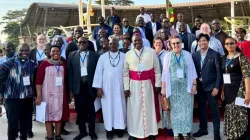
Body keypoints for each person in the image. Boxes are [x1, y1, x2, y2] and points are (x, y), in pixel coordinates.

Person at [124, 35, 161, 140]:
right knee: (135, 109)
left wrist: (158, 84)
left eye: (139, 40)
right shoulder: (128, 54)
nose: (137, 42)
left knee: (149, 108)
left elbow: (157, 70)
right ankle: (134, 132)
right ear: (132, 42)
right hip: (134, 86)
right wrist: (126, 87)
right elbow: (125, 73)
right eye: (135, 41)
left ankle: (151, 132)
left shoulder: (151, 52)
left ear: (142, 41)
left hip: (148, 84)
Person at [161, 36, 197, 140]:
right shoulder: (167, 56)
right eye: (173, 43)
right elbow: (164, 73)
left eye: (178, 43)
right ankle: (176, 132)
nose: (176, 45)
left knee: (186, 110)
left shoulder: (187, 55)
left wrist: (194, 85)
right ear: (170, 45)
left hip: (186, 87)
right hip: (172, 88)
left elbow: (192, 70)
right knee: (175, 110)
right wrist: (163, 88)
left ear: (181, 43)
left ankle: (185, 132)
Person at [0, 43, 36, 140]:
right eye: (21, 50)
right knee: (13, 124)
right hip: (12, 99)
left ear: (29, 51)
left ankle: (23, 138)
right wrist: (1, 95)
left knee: (25, 123)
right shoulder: (8, 64)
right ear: (17, 51)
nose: (24, 52)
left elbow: (35, 81)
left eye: (26, 50)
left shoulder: (33, 64)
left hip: (27, 99)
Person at [93, 38, 126, 140]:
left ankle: (120, 129)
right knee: (108, 109)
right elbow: (98, 73)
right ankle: (109, 131)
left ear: (118, 45)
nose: (113, 45)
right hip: (106, 88)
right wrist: (99, 88)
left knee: (120, 108)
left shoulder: (124, 56)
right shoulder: (102, 57)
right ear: (108, 44)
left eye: (115, 44)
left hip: (121, 87)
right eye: (111, 44)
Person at [35, 45, 69, 140]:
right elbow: (38, 81)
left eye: (57, 51)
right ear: (50, 53)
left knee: (59, 116)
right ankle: (50, 136)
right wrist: (39, 96)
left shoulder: (63, 64)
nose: (55, 53)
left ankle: (58, 135)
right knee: (48, 116)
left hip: (60, 95)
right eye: (53, 51)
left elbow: (66, 79)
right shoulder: (44, 64)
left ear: (60, 52)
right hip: (47, 95)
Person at [67, 37, 99, 140]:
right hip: (78, 87)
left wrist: (98, 87)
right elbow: (70, 73)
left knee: (91, 110)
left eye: (84, 42)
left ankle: (92, 132)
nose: (81, 44)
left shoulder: (95, 55)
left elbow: (98, 73)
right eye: (79, 42)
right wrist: (70, 89)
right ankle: (82, 132)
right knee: (80, 111)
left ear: (87, 44)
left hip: (90, 87)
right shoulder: (72, 55)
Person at [192, 33, 222, 140]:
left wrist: (217, 87)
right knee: (201, 110)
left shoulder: (215, 54)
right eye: (200, 41)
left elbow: (219, 73)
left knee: (214, 111)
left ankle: (216, 133)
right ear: (198, 43)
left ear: (208, 41)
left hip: (211, 87)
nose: (202, 43)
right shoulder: (195, 55)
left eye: (204, 40)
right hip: (200, 87)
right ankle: (203, 129)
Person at [221, 37, 250, 140]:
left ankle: (241, 136)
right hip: (228, 90)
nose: (229, 45)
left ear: (236, 44)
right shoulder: (224, 58)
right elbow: (225, 74)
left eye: (231, 43)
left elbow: (247, 76)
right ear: (224, 45)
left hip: (240, 90)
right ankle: (233, 135)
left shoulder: (241, 57)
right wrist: (223, 89)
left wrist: (247, 93)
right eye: (227, 44)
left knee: (240, 114)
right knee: (230, 112)